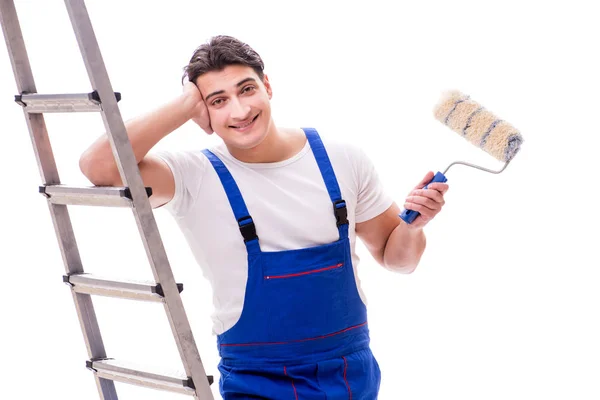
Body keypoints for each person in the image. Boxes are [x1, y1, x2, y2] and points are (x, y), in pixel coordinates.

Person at [79, 35, 449, 399]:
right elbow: (99, 166)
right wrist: (184, 104)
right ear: (201, 112)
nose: (239, 112)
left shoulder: (343, 161)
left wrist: (412, 227)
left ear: (267, 86)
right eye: (217, 100)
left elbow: (398, 261)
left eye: (246, 90)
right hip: (257, 382)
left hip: (351, 377)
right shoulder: (192, 176)